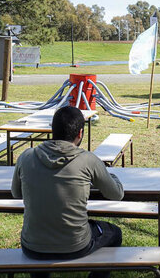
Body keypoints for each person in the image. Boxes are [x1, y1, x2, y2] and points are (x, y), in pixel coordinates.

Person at [11, 106, 124, 278]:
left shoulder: (26, 157)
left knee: (41, 242)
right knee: (114, 233)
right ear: (80, 133)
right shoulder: (88, 160)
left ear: (52, 129)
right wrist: (111, 176)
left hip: (32, 246)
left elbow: (16, 193)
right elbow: (116, 194)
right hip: (76, 245)